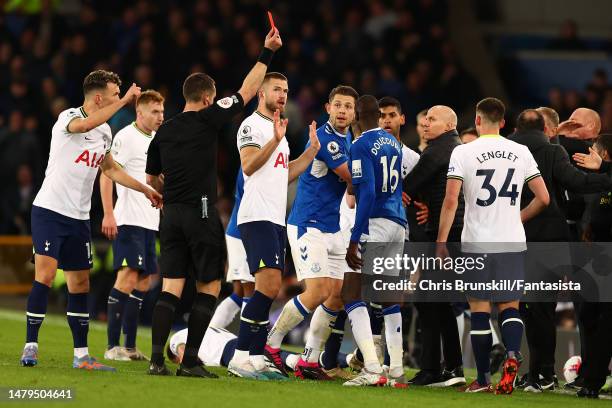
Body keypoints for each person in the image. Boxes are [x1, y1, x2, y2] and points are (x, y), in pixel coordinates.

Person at [145, 27, 282, 378]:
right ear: (208, 98)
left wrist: (167, 192)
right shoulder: (208, 117)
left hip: (170, 214)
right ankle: (190, 361)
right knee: (209, 285)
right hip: (201, 211)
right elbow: (249, 91)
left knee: (172, 286)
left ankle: (156, 361)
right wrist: (267, 52)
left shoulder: (165, 130)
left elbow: (152, 180)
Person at [20, 70, 162, 371]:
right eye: (114, 93)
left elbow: (110, 169)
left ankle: (82, 355)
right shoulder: (68, 118)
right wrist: (125, 101)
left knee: (80, 283)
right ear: (99, 97)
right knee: (45, 276)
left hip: (79, 218)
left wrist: (145, 188)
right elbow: (85, 123)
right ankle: (31, 345)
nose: (118, 97)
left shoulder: (105, 132)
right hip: (49, 210)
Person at [437, 97, 550, 394]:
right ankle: (512, 355)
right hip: (512, 240)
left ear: (477, 120)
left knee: (480, 310)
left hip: (477, 241)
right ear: (502, 122)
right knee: (510, 306)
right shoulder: (521, 151)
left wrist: (440, 240)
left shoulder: (463, 151)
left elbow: (451, 200)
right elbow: (544, 198)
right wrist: (517, 217)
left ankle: (484, 378)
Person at [508, 109, 612, 392]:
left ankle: (541, 373)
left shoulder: (507, 148)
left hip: (515, 237)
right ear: (547, 129)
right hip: (553, 240)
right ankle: (543, 374)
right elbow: (576, 182)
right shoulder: (553, 151)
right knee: (543, 309)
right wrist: (606, 176)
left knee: (533, 308)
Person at [227, 72, 321, 380]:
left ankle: (255, 357)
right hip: (256, 216)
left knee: (270, 289)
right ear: (261, 94)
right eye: (277, 89)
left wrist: (310, 153)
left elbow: (284, 174)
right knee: (265, 287)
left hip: (274, 217)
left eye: (286, 90)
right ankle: (241, 357)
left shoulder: (275, 129)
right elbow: (249, 165)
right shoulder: (252, 125)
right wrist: (275, 141)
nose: (282, 95)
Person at [264, 85, 358, 381]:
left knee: (338, 294)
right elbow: (350, 178)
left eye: (348, 107)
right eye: (338, 105)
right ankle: (271, 344)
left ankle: (308, 360)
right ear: (328, 108)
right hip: (308, 224)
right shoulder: (328, 138)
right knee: (317, 291)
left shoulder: (350, 138)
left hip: (332, 226)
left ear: (354, 113)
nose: (343, 111)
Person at [343, 95, 406, 387]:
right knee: (389, 296)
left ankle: (371, 367)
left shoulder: (360, 145)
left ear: (356, 116)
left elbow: (366, 194)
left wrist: (355, 239)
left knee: (352, 293)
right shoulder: (393, 142)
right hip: (398, 223)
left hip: (377, 224)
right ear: (378, 116)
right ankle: (397, 369)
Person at [402, 105, 465, 387]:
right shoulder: (453, 147)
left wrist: (408, 194)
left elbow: (410, 184)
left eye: (432, 119)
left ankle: (431, 369)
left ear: (450, 125)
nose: (425, 123)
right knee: (439, 303)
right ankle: (453, 367)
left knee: (427, 300)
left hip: (444, 239)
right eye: (425, 118)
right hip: (450, 234)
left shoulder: (440, 149)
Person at [100, 90, 165, 361]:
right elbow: (106, 174)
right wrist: (108, 213)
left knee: (145, 281)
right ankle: (112, 346)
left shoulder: (158, 141)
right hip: (128, 219)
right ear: (140, 112)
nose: (160, 117)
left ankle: (129, 345)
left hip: (150, 222)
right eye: (155, 112)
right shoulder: (126, 137)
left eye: (162, 112)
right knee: (127, 278)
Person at [166, 327, 352, 376]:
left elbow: (184, 356)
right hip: (237, 341)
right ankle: (350, 358)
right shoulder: (205, 327)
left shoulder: (175, 339)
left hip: (229, 351)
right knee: (292, 356)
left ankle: (349, 359)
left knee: (291, 360)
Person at [207, 167, 254, 330]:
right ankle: (246, 347)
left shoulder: (250, 159)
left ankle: (207, 336)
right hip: (246, 231)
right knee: (251, 291)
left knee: (239, 293)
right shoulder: (254, 160)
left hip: (239, 229)